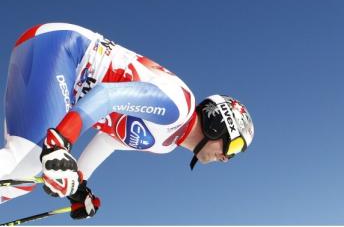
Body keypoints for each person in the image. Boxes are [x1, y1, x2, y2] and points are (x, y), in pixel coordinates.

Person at [0, 23, 254, 219]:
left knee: (19, 178)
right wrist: (60, 143)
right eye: (231, 148)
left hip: (52, 57)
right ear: (216, 125)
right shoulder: (179, 106)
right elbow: (107, 95)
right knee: (29, 160)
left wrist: (79, 187)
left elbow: (109, 140)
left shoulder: (165, 143)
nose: (225, 158)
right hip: (62, 48)